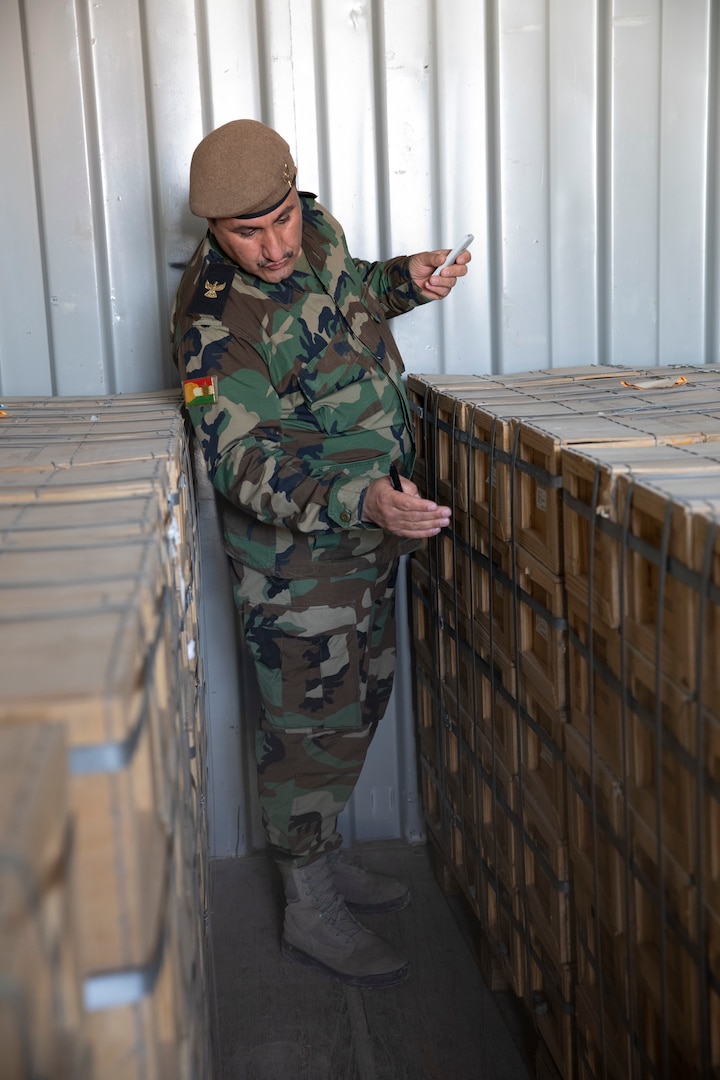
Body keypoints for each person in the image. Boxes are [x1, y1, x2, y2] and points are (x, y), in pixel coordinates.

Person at [171, 119, 470, 990]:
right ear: (214, 232)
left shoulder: (319, 228)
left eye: (279, 222)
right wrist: (358, 497)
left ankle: (327, 862)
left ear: (296, 191)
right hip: (297, 569)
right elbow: (241, 461)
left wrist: (406, 281)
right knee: (306, 731)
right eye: (245, 234)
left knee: (358, 704)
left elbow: (352, 297)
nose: (272, 248)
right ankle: (309, 906)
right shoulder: (212, 320)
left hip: (371, 535)